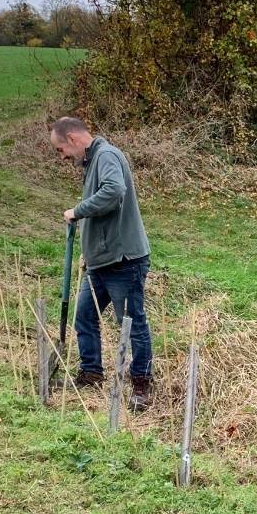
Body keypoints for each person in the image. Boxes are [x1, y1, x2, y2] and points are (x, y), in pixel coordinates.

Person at [50, 116, 154, 411]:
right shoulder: (92, 161)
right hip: (101, 261)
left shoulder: (107, 156)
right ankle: (92, 372)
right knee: (84, 316)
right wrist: (90, 250)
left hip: (123, 260)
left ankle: (141, 385)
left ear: (72, 138)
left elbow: (113, 191)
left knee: (131, 324)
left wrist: (78, 211)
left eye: (61, 149)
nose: (63, 157)